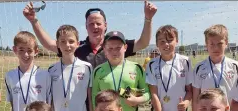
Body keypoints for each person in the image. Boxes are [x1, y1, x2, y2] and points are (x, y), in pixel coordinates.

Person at [23, 1, 157, 67]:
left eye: (98, 23)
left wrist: (148, 19)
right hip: (85, 110)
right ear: (86, 27)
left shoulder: (115, 46)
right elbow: (51, 44)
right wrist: (34, 21)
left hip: (110, 108)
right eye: (91, 24)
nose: (95, 26)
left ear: (106, 25)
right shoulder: (77, 47)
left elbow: (143, 43)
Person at [92, 31, 150, 111]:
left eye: (118, 48)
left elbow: (147, 93)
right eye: (110, 48)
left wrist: (136, 100)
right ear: (104, 50)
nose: (114, 52)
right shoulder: (98, 71)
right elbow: (94, 98)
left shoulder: (136, 68)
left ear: (125, 47)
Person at [146, 25, 193, 111]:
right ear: (157, 44)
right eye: (162, 41)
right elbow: (154, 93)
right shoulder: (152, 64)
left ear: (176, 41)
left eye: (170, 40)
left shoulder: (185, 61)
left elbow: (189, 90)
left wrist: (187, 102)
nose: (166, 44)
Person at [192, 24, 238, 111]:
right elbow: (195, 98)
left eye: (220, 44)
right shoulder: (199, 68)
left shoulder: (235, 66)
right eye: (212, 44)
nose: (216, 48)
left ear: (226, 43)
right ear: (206, 44)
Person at [5, 31, 51, 111]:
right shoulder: (10, 76)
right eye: (21, 50)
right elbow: (13, 106)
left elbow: (49, 105)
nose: (26, 55)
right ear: (15, 50)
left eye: (29, 51)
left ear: (36, 51)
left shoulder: (45, 75)